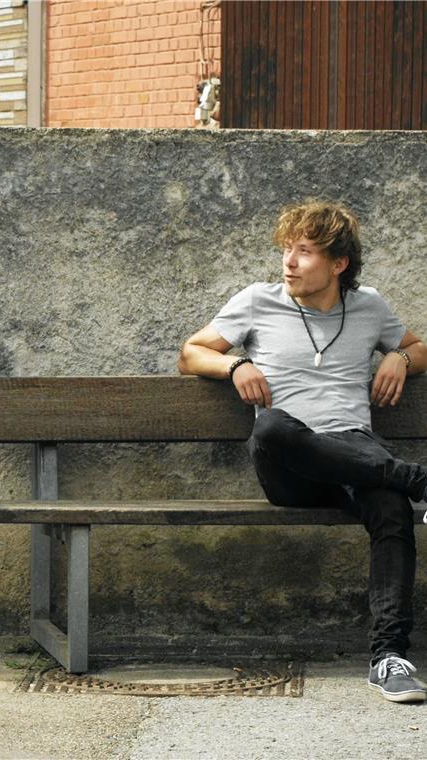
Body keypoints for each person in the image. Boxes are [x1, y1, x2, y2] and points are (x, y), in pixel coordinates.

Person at [178, 200, 427, 703]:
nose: (288, 262)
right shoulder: (257, 301)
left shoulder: (370, 307)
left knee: (390, 507)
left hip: (355, 451)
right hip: (288, 466)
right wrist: (234, 367)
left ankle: (389, 658)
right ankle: (419, 479)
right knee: (271, 428)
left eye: (305, 251)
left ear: (338, 264)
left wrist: (400, 357)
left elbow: (421, 348)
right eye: (287, 250)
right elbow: (190, 352)